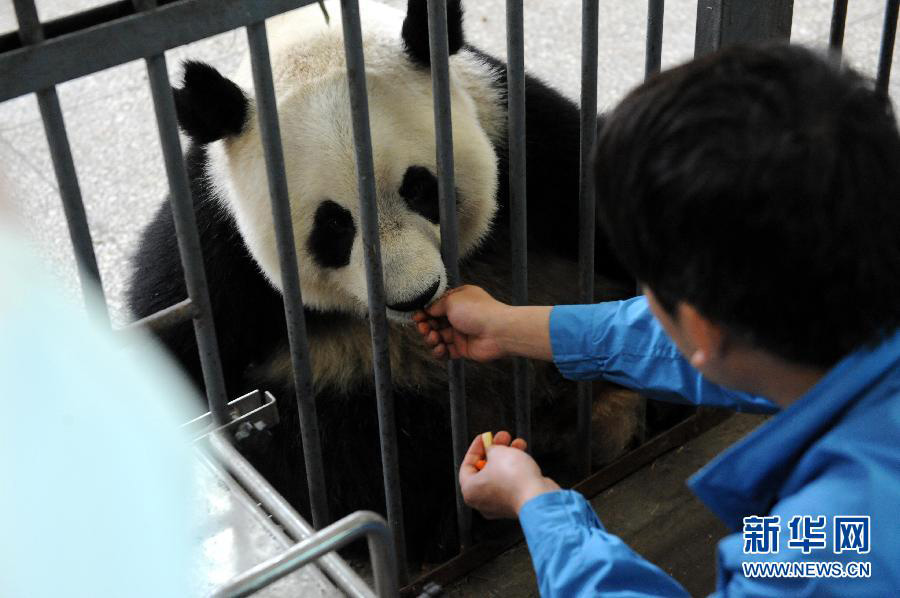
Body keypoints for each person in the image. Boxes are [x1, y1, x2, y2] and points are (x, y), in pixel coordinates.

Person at [414, 45, 900, 596]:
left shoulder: (828, 546)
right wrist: (510, 326)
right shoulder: (848, 307)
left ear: (704, 327)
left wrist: (538, 504)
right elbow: (725, 345)